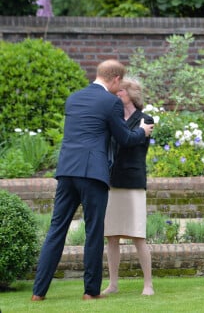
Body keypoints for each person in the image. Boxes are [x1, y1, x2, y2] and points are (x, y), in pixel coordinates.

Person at [31, 60, 154, 301]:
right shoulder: (110, 103)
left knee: (56, 230)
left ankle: (38, 292)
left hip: (66, 170)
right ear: (116, 79)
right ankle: (91, 292)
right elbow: (126, 138)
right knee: (94, 232)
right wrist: (143, 132)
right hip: (93, 174)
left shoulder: (73, 98)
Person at [102, 77, 154, 296]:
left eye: (120, 90)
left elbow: (131, 142)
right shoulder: (112, 119)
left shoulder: (146, 119)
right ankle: (113, 284)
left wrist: (136, 132)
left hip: (133, 182)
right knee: (111, 236)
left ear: (132, 93)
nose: (116, 94)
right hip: (112, 181)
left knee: (138, 235)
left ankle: (148, 285)